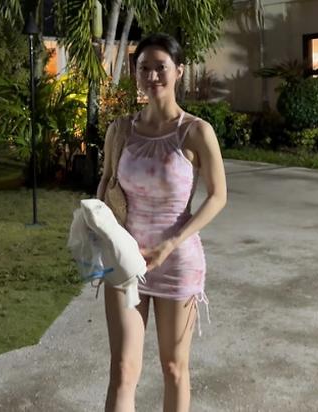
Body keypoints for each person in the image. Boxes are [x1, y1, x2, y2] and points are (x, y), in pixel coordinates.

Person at [96, 32, 227, 412]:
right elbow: (106, 183)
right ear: (135, 73)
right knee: (123, 369)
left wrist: (172, 242)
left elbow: (218, 196)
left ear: (179, 71)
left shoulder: (196, 131)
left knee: (173, 368)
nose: (152, 76)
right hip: (125, 261)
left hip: (177, 261)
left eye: (160, 67)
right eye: (144, 68)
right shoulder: (121, 130)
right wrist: (102, 228)